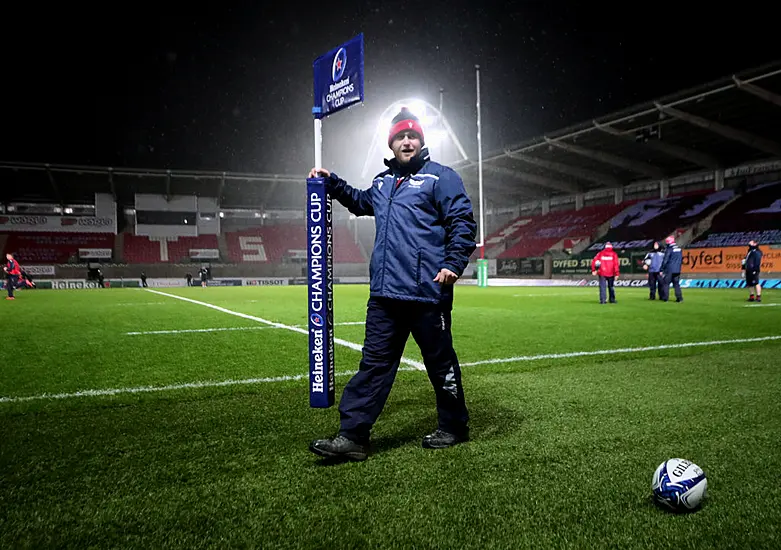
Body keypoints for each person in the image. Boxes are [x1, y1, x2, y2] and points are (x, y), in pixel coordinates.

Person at [308, 107, 477, 462]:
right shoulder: (383, 182)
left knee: (440, 363)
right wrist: (331, 182)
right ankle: (352, 436)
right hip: (385, 295)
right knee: (373, 366)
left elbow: (462, 221)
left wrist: (453, 263)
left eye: (412, 136)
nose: (406, 142)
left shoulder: (440, 178)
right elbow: (359, 201)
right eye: (400, 136)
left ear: (421, 141)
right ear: (392, 142)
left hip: (427, 292)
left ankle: (454, 426)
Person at [659, 235, 683, 303]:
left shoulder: (669, 249)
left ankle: (665, 298)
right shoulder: (679, 249)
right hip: (677, 270)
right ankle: (679, 298)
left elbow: (665, 260)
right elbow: (681, 260)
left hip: (669, 269)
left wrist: (661, 269)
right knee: (676, 284)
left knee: (666, 284)